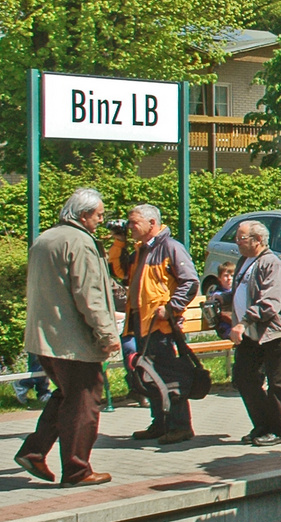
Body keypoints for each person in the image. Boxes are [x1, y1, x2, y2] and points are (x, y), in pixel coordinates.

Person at [16, 189, 122, 485]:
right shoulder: (81, 242)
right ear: (84, 214)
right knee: (84, 401)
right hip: (72, 342)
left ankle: (34, 451)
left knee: (66, 395)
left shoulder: (45, 239)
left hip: (44, 338)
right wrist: (106, 333)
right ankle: (77, 470)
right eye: (99, 215)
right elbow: (89, 294)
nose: (101, 220)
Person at [108, 204, 199, 444]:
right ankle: (160, 423)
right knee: (149, 376)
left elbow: (190, 282)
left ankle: (180, 426)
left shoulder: (170, 247)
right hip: (141, 323)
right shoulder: (141, 250)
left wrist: (170, 309)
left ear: (151, 223)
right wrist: (119, 242)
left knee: (169, 376)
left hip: (160, 326)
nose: (130, 227)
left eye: (134, 222)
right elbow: (118, 272)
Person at [229, 221, 281, 446]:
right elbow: (242, 291)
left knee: (279, 382)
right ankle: (263, 424)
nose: (237, 243)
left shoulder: (271, 263)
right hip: (251, 331)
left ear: (258, 240)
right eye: (237, 239)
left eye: (242, 239)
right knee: (243, 377)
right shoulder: (245, 261)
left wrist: (244, 321)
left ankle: (280, 430)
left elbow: (270, 301)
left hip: (273, 331)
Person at [204, 261, 236, 339]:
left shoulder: (238, 291)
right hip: (225, 328)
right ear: (219, 278)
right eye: (225, 276)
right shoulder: (217, 294)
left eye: (232, 276)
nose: (229, 278)